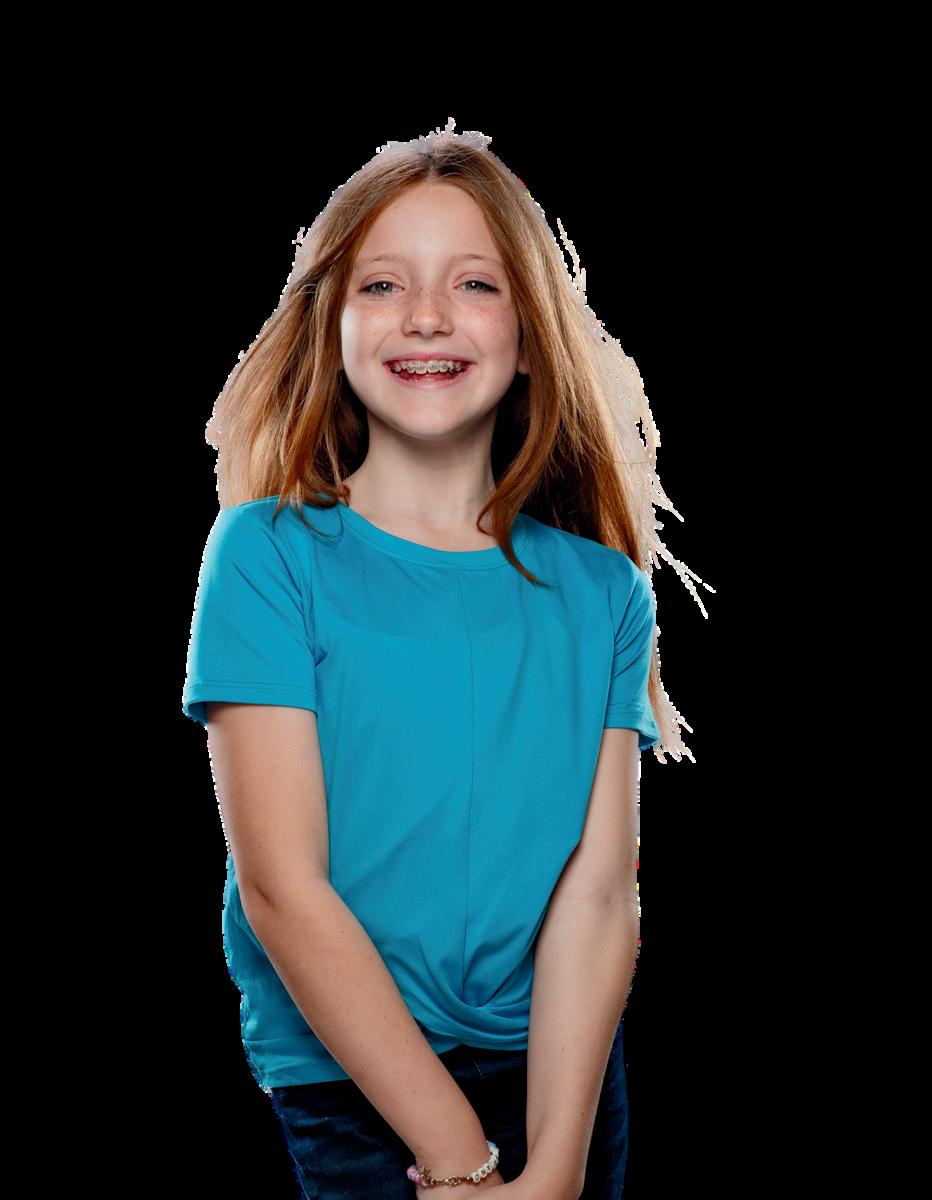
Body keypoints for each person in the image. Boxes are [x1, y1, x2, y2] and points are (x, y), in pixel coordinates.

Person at [180, 118, 700, 1199]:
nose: (425, 315)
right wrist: (462, 1163)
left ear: (528, 333)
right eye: (382, 285)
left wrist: (553, 1168)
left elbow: (599, 896)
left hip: (558, 1081)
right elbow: (282, 888)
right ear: (330, 325)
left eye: (473, 283)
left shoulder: (604, 592)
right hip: (347, 1085)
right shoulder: (267, 556)